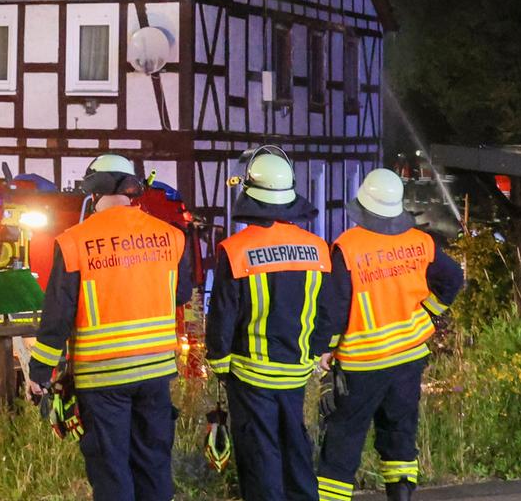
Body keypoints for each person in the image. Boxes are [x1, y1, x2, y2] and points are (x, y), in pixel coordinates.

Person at [27, 154, 193, 501]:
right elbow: (180, 293)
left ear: (94, 190)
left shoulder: (74, 242)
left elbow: (58, 315)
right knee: (153, 465)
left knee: (111, 469)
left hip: (102, 379)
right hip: (155, 373)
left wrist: (40, 372)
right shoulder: (171, 237)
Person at [206, 149, 349, 501]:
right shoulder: (317, 249)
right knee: (295, 446)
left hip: (251, 374)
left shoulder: (235, 250)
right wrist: (316, 351)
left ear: (251, 196)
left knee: (260, 455)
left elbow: (223, 313)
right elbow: (328, 312)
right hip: (297, 371)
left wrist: (219, 363)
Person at [316, 170, 464, 501]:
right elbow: (453, 279)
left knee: (343, 439)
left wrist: (322, 351)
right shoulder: (420, 241)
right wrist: (429, 311)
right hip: (409, 358)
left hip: (363, 363)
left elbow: (333, 310)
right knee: (399, 433)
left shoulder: (348, 248)